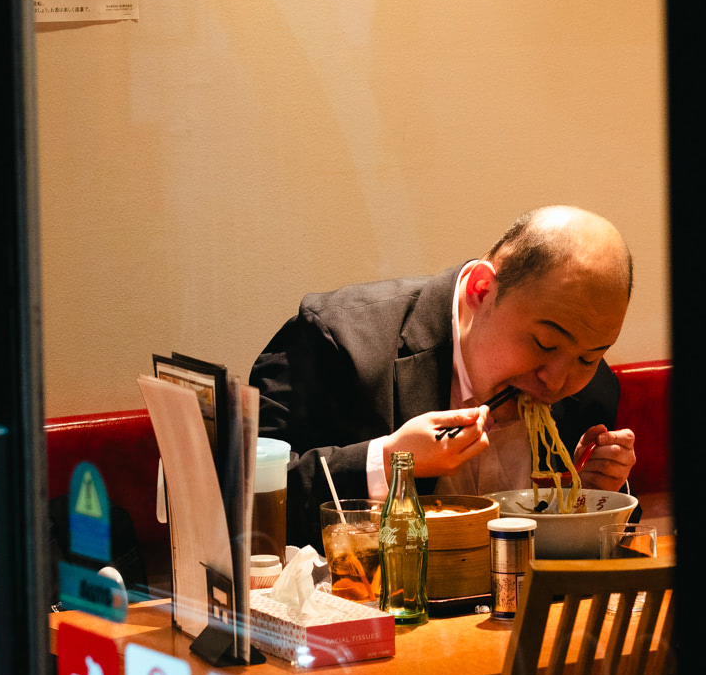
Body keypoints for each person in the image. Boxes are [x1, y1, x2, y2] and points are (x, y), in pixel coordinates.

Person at [251, 205, 639, 546]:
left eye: (589, 357)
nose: (556, 382)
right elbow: (244, 502)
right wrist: (388, 461)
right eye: (544, 343)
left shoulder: (590, 388)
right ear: (481, 289)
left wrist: (596, 495)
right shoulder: (336, 338)